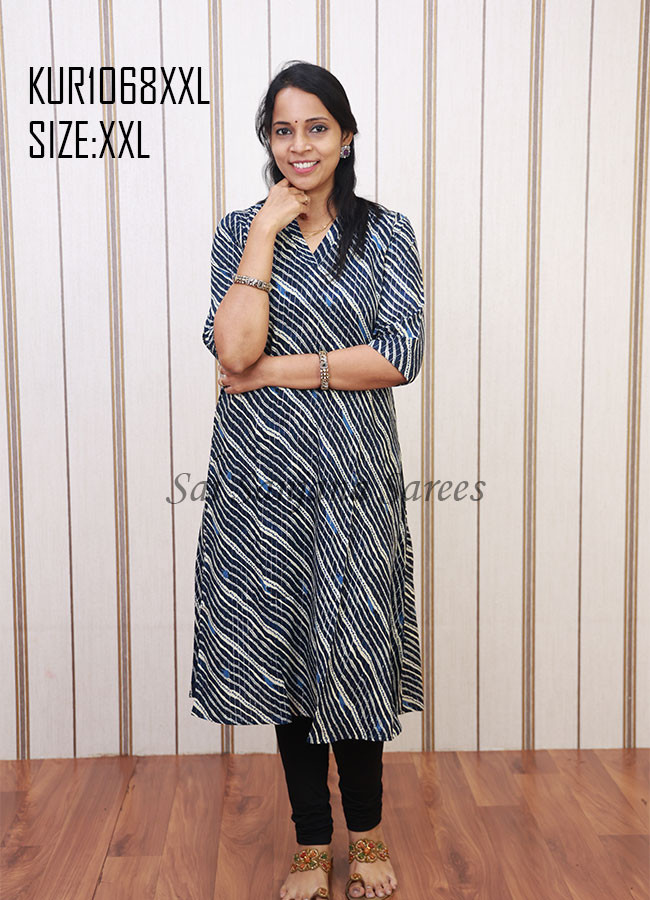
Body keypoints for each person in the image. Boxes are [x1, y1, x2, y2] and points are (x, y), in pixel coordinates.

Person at [188, 60, 426, 900]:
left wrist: (275, 372)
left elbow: (398, 355)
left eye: (317, 127)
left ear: (346, 136)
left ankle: (368, 836)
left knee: (353, 647)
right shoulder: (238, 231)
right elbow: (232, 348)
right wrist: (263, 235)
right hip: (262, 480)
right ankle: (310, 842)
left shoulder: (386, 233)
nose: (300, 145)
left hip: (355, 477)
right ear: (268, 139)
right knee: (290, 649)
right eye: (283, 129)